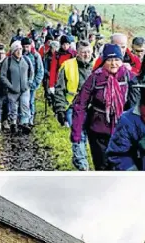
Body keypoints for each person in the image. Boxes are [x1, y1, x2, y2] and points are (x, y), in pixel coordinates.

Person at [71, 44, 139, 170]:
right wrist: (77, 134)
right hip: (99, 131)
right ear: (104, 60)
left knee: (120, 167)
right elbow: (80, 105)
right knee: (102, 167)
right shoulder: (95, 78)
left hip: (121, 131)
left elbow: (136, 105)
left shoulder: (129, 77)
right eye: (109, 60)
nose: (114, 64)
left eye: (117, 60)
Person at [54, 41, 95, 171]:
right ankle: (83, 164)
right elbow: (59, 89)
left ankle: (78, 158)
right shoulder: (67, 66)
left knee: (91, 136)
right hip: (73, 105)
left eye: (88, 52)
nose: (86, 55)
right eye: (83, 52)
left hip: (93, 107)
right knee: (79, 134)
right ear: (77, 52)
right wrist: (60, 109)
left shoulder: (97, 66)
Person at [0, 41, 34, 134]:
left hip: (24, 89)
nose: (19, 52)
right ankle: (13, 124)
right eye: (16, 50)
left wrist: (29, 82)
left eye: (20, 49)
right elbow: (2, 76)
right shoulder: (8, 61)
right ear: (13, 51)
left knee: (25, 106)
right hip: (12, 90)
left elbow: (31, 72)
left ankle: (25, 124)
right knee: (13, 108)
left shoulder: (26, 59)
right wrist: (10, 86)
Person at [21, 38, 44, 127]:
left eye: (27, 47)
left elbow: (40, 71)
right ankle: (22, 119)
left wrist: (34, 83)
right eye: (24, 47)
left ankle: (30, 119)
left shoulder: (36, 55)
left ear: (31, 46)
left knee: (30, 101)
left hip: (31, 84)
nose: (25, 49)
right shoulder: (19, 54)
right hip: (21, 84)